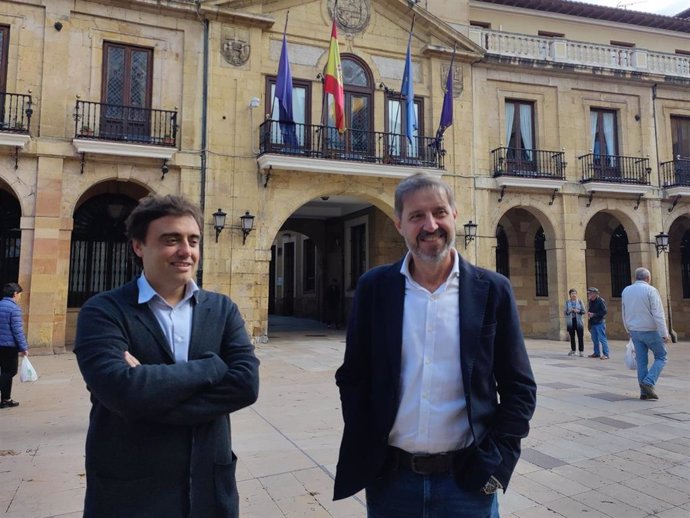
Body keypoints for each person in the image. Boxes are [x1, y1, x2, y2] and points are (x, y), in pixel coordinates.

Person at [333, 173, 537, 518]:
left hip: (468, 482)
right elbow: (353, 376)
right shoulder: (375, 289)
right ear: (399, 224)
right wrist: (369, 445)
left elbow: (519, 387)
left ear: (455, 214)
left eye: (439, 212)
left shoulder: (492, 290)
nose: (431, 225)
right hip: (392, 482)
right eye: (416, 216)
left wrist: (496, 466)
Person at [74, 194, 260, 518]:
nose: (186, 251)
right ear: (138, 246)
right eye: (171, 240)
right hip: (130, 496)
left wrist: (148, 393)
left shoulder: (222, 310)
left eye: (193, 240)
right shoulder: (103, 311)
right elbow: (122, 390)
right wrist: (211, 366)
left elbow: (246, 384)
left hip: (209, 491)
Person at [621, 267, 670, 401]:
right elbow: (658, 313)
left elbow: (624, 312)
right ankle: (648, 382)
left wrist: (628, 330)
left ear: (635, 278)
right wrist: (664, 333)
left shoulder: (626, 290)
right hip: (650, 330)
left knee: (642, 362)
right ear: (648, 278)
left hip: (635, 331)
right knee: (661, 356)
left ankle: (644, 392)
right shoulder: (651, 290)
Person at [0, 283, 29, 408]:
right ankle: (5, 399)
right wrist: (23, 348)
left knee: (5, 372)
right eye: (20, 294)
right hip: (8, 346)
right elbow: (17, 330)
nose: (20, 297)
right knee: (9, 371)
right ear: (15, 294)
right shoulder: (14, 308)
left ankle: (6, 398)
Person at [586, 287, 609, 359]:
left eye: (590, 293)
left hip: (599, 322)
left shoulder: (600, 301)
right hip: (593, 322)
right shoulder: (590, 301)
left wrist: (594, 314)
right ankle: (596, 353)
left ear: (595, 294)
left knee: (602, 338)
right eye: (588, 293)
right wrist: (589, 314)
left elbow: (604, 311)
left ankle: (606, 354)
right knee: (594, 339)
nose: (588, 294)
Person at [563, 289, 585, 356]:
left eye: (575, 293)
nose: (574, 295)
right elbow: (565, 312)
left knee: (580, 336)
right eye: (572, 293)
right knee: (572, 337)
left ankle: (581, 351)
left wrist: (578, 311)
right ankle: (573, 350)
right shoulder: (567, 302)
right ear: (570, 294)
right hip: (571, 322)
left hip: (579, 322)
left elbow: (583, 311)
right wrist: (570, 310)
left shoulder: (580, 301)